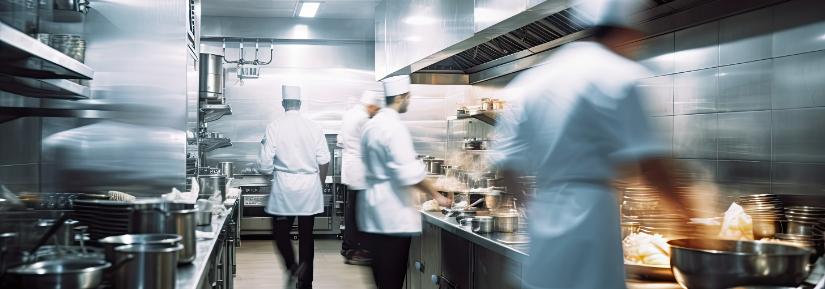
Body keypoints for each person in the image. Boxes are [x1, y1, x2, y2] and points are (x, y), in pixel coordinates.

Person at [491, 1, 691, 288]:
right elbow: (652, 166)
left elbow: (505, 162)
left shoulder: (534, 79)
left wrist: (531, 205)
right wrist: (687, 215)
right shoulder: (619, 74)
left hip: (545, 215)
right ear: (627, 30)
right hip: (592, 217)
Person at [358, 75, 452, 289]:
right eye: (408, 96)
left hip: (373, 213)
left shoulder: (371, 126)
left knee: (382, 279)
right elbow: (410, 173)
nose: (409, 100)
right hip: (393, 216)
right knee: (392, 280)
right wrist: (437, 195)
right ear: (401, 97)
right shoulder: (394, 127)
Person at [257, 85, 330, 289]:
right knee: (307, 237)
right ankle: (305, 284)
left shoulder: (274, 126)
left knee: (280, 233)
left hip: (284, 189)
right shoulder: (314, 127)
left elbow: (264, 165)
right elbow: (324, 160)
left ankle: (292, 266)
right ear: (300, 104)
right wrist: (320, 185)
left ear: (283, 104)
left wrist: (270, 172)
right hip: (309, 188)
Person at [337, 90, 384, 266]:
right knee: (361, 214)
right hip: (361, 171)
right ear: (371, 106)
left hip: (352, 170)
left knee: (352, 212)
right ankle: (360, 250)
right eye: (376, 109)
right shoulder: (364, 119)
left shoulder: (349, 114)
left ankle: (348, 248)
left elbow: (342, 140)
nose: (375, 113)